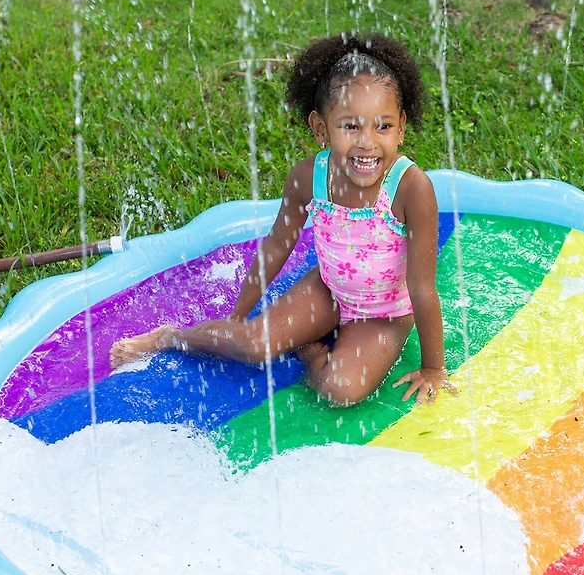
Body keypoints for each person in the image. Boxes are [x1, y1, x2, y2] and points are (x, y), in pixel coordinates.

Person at [110, 33, 455, 406]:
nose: (367, 142)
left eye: (382, 126)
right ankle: (169, 337)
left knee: (340, 390)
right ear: (321, 128)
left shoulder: (411, 188)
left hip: (385, 314)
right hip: (329, 291)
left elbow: (422, 288)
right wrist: (238, 319)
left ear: (401, 127)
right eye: (350, 126)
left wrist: (434, 367)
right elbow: (277, 244)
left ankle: (309, 349)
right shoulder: (309, 177)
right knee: (252, 346)